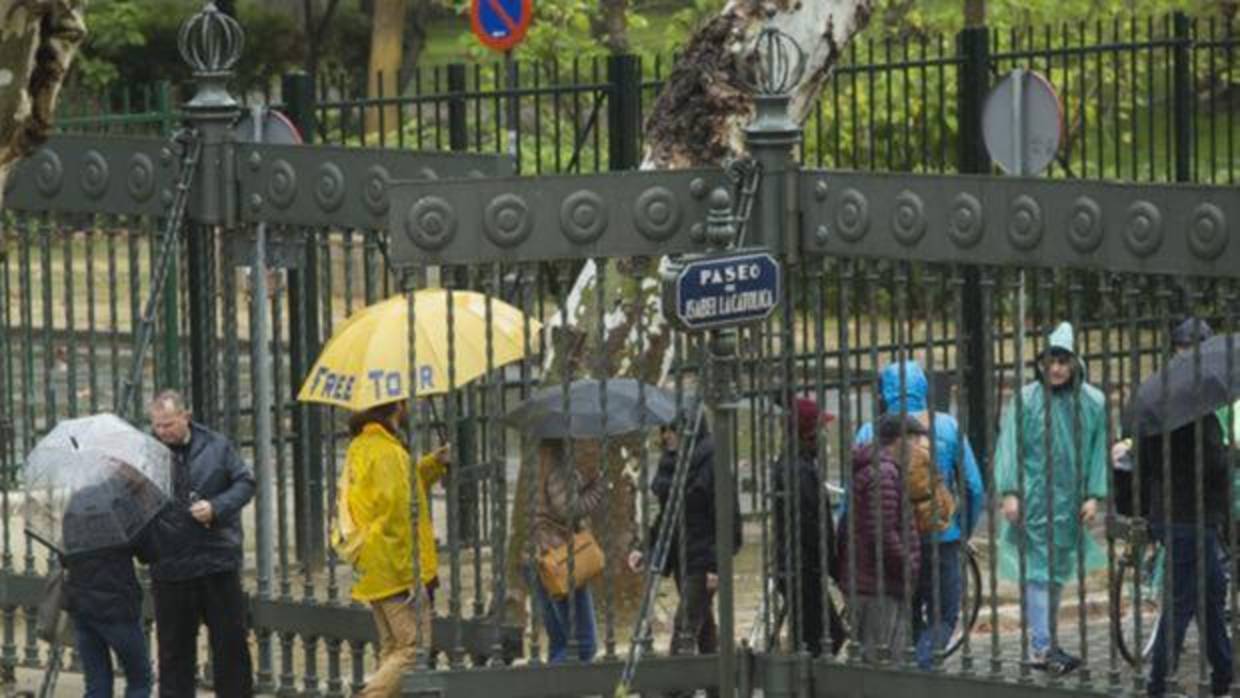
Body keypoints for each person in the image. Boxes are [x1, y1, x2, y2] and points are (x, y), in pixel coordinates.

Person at [854, 360, 984, 669]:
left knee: (906, 612)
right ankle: (921, 669)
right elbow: (974, 486)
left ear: (884, 392)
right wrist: (961, 529)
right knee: (945, 614)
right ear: (924, 389)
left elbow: (855, 494)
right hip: (942, 538)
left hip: (893, 543)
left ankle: (907, 670)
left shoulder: (870, 431)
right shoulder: (947, 426)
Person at [994, 322, 1107, 676]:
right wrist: (1010, 490)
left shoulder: (1093, 402)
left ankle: (1046, 640)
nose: (1056, 368)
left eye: (1063, 361)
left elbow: (1097, 451)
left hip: (1069, 503)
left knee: (1055, 574)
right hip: (1033, 500)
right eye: (1050, 361)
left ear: (1075, 362)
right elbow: (1008, 445)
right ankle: (1043, 647)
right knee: (1038, 573)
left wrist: (1093, 496)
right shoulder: (1026, 400)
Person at [336, 400, 449, 697]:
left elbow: (400, 490)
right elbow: (398, 514)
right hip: (394, 565)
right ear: (396, 406)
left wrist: (433, 464)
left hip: (373, 562)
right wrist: (413, 574)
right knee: (413, 649)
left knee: (392, 650)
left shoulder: (362, 445)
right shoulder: (388, 453)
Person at [147, 390, 256, 697]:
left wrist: (217, 507)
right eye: (157, 425)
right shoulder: (148, 452)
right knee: (174, 653)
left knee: (230, 645)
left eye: (169, 424)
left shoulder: (216, 446)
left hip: (216, 561)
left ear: (186, 417)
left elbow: (245, 483)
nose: (163, 431)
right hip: (171, 566)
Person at [626, 410, 741, 682]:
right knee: (704, 631)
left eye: (672, 429)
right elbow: (667, 517)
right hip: (682, 558)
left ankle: (674, 688)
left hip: (703, 561)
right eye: (664, 430)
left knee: (684, 629)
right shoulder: (673, 464)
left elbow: (728, 518)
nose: (666, 436)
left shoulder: (712, 460)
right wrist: (645, 549)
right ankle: (719, 687)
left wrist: (716, 564)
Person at [61, 466, 163, 698]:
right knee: (139, 680)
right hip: (117, 606)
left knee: (97, 684)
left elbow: (64, 554)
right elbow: (150, 553)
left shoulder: (76, 501)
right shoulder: (125, 503)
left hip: (82, 606)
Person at [836, 414, 924, 663]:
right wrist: (908, 564)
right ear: (900, 440)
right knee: (885, 667)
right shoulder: (884, 474)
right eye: (915, 440)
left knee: (877, 662)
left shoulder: (879, 469)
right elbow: (882, 533)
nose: (918, 448)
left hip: (871, 581)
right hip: (878, 584)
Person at [771, 397, 845, 657]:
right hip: (802, 568)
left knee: (814, 639)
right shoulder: (799, 471)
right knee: (827, 638)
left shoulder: (795, 465)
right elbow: (812, 526)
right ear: (807, 434)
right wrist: (834, 566)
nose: (825, 436)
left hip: (798, 566)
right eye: (820, 430)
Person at [529, 438, 608, 663]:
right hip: (560, 560)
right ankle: (543, 688)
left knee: (561, 641)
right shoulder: (556, 463)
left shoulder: (540, 460)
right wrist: (600, 488)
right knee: (584, 644)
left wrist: (585, 484)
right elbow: (568, 510)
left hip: (540, 557)